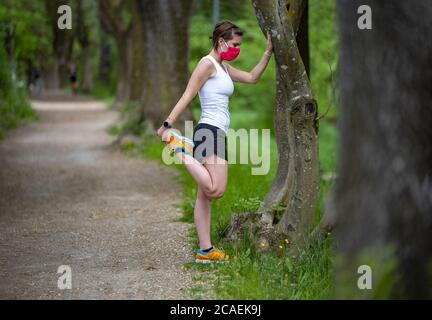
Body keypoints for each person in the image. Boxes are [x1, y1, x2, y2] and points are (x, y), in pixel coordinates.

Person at [157, 20, 273, 263]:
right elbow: (187, 94)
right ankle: (179, 147)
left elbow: (252, 78)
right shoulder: (206, 65)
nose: (237, 49)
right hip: (208, 130)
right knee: (215, 189)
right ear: (220, 42)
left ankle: (205, 251)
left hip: (217, 132)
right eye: (234, 44)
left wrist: (268, 52)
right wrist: (168, 123)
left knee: (205, 195)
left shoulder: (225, 68)